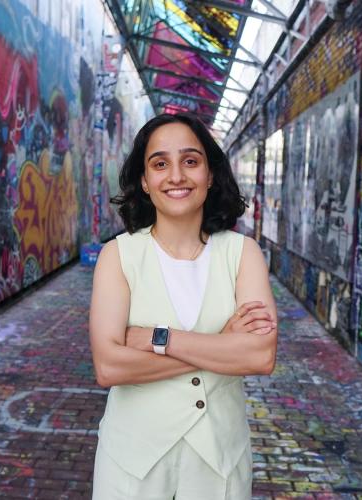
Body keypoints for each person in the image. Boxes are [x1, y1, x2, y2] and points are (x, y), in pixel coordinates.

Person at [88, 112, 278, 499]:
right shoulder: (118, 255)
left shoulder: (243, 254)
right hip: (131, 464)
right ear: (145, 180)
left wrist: (158, 339)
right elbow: (109, 367)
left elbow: (260, 356)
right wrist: (221, 345)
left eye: (190, 161)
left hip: (220, 462)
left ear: (210, 175)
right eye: (160, 164)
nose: (176, 176)